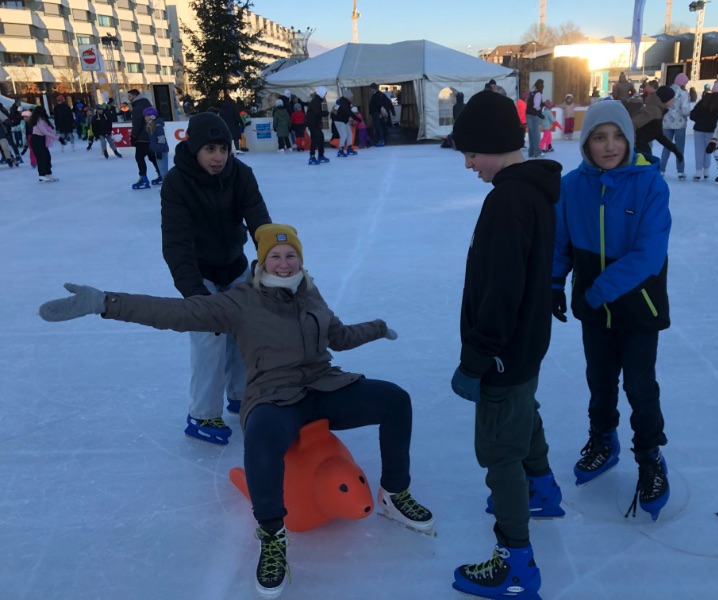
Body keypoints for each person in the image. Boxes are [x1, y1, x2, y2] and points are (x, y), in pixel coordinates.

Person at [38, 222, 434, 599]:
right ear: (262, 261)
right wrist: (105, 303)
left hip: (323, 385)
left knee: (395, 400)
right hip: (274, 395)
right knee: (260, 438)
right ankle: (272, 535)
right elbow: (176, 313)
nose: (284, 263)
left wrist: (378, 327)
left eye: (291, 255)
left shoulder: (310, 292)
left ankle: (394, 494)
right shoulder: (240, 301)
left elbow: (339, 336)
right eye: (275, 256)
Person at [449, 89, 564, 600]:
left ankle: (515, 561)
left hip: (502, 351)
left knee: (499, 451)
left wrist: (476, 358)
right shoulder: (534, 190)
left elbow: (500, 292)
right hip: (526, 346)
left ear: (495, 144)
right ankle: (542, 488)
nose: (469, 164)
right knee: (523, 414)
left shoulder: (507, 201)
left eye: (472, 152)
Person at [552, 100, 671, 522]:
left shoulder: (650, 185)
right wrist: (553, 282)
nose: (610, 145)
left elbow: (648, 255)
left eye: (618, 136)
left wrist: (596, 292)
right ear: (586, 142)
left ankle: (650, 456)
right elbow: (560, 242)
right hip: (594, 311)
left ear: (630, 139)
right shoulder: (571, 187)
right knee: (600, 380)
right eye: (599, 137)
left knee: (640, 385)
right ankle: (603, 439)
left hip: (638, 307)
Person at [156, 111, 272, 443]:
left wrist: (273, 262)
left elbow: (260, 222)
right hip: (199, 271)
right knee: (210, 336)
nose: (218, 157)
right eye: (210, 149)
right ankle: (203, 414)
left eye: (223, 148)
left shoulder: (241, 174)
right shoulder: (177, 183)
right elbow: (176, 243)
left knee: (245, 331)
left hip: (234, 265)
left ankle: (242, 395)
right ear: (194, 148)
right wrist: (196, 293)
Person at [632, 86, 684, 165]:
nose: (674, 100)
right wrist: (633, 144)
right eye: (672, 98)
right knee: (648, 165)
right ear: (665, 99)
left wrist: (675, 150)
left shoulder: (658, 110)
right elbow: (632, 124)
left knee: (650, 164)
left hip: (641, 145)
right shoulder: (653, 110)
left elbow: (658, 134)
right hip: (638, 146)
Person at [689, 82, 718, 181]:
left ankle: (698, 172)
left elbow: (693, 114)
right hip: (712, 131)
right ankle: (706, 171)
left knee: (699, 151)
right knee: (708, 150)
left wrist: (699, 120)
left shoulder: (704, 99)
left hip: (699, 129)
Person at [660, 73, 691, 180]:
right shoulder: (683, 93)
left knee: (666, 147)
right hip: (680, 124)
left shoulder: (667, 91)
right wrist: (689, 113)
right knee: (679, 149)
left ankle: (661, 169)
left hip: (666, 123)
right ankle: (680, 172)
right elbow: (685, 110)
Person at [128, 89, 160, 189]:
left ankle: (143, 179)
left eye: (129, 96)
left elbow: (137, 124)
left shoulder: (137, 107)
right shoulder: (147, 103)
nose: (128, 98)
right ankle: (161, 174)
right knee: (152, 157)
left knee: (139, 157)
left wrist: (133, 137)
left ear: (134, 96)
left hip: (142, 138)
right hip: (151, 136)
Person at [144, 106, 169, 183]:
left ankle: (167, 186)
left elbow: (161, 139)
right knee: (162, 170)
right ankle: (166, 185)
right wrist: (152, 148)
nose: (145, 118)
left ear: (152, 116)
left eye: (146, 116)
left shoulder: (157, 125)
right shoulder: (151, 125)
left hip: (161, 151)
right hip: (158, 150)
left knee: (163, 171)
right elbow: (153, 139)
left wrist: (159, 150)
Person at [306, 86, 329, 165]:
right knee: (316, 139)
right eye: (325, 94)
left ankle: (321, 155)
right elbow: (317, 112)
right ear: (321, 93)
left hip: (315, 123)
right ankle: (312, 156)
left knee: (320, 138)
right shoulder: (316, 101)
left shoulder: (317, 100)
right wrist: (325, 113)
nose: (325, 95)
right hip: (312, 123)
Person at [333, 89, 359, 157]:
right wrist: (358, 119)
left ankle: (349, 148)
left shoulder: (347, 103)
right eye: (351, 97)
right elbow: (349, 113)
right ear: (347, 97)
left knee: (349, 134)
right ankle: (340, 150)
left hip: (345, 120)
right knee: (344, 135)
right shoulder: (343, 103)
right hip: (339, 121)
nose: (352, 98)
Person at [368, 82, 394, 147]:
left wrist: (381, 112)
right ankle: (379, 139)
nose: (370, 90)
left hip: (377, 113)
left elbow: (379, 104)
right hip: (376, 112)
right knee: (378, 127)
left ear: (372, 88)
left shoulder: (377, 95)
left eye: (370, 88)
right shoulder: (377, 94)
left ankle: (381, 140)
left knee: (379, 127)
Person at [525, 79, 545, 158]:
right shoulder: (538, 93)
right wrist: (541, 106)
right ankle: (537, 153)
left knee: (531, 134)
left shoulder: (531, 92)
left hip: (528, 114)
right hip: (534, 115)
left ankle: (531, 152)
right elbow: (536, 106)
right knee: (536, 135)